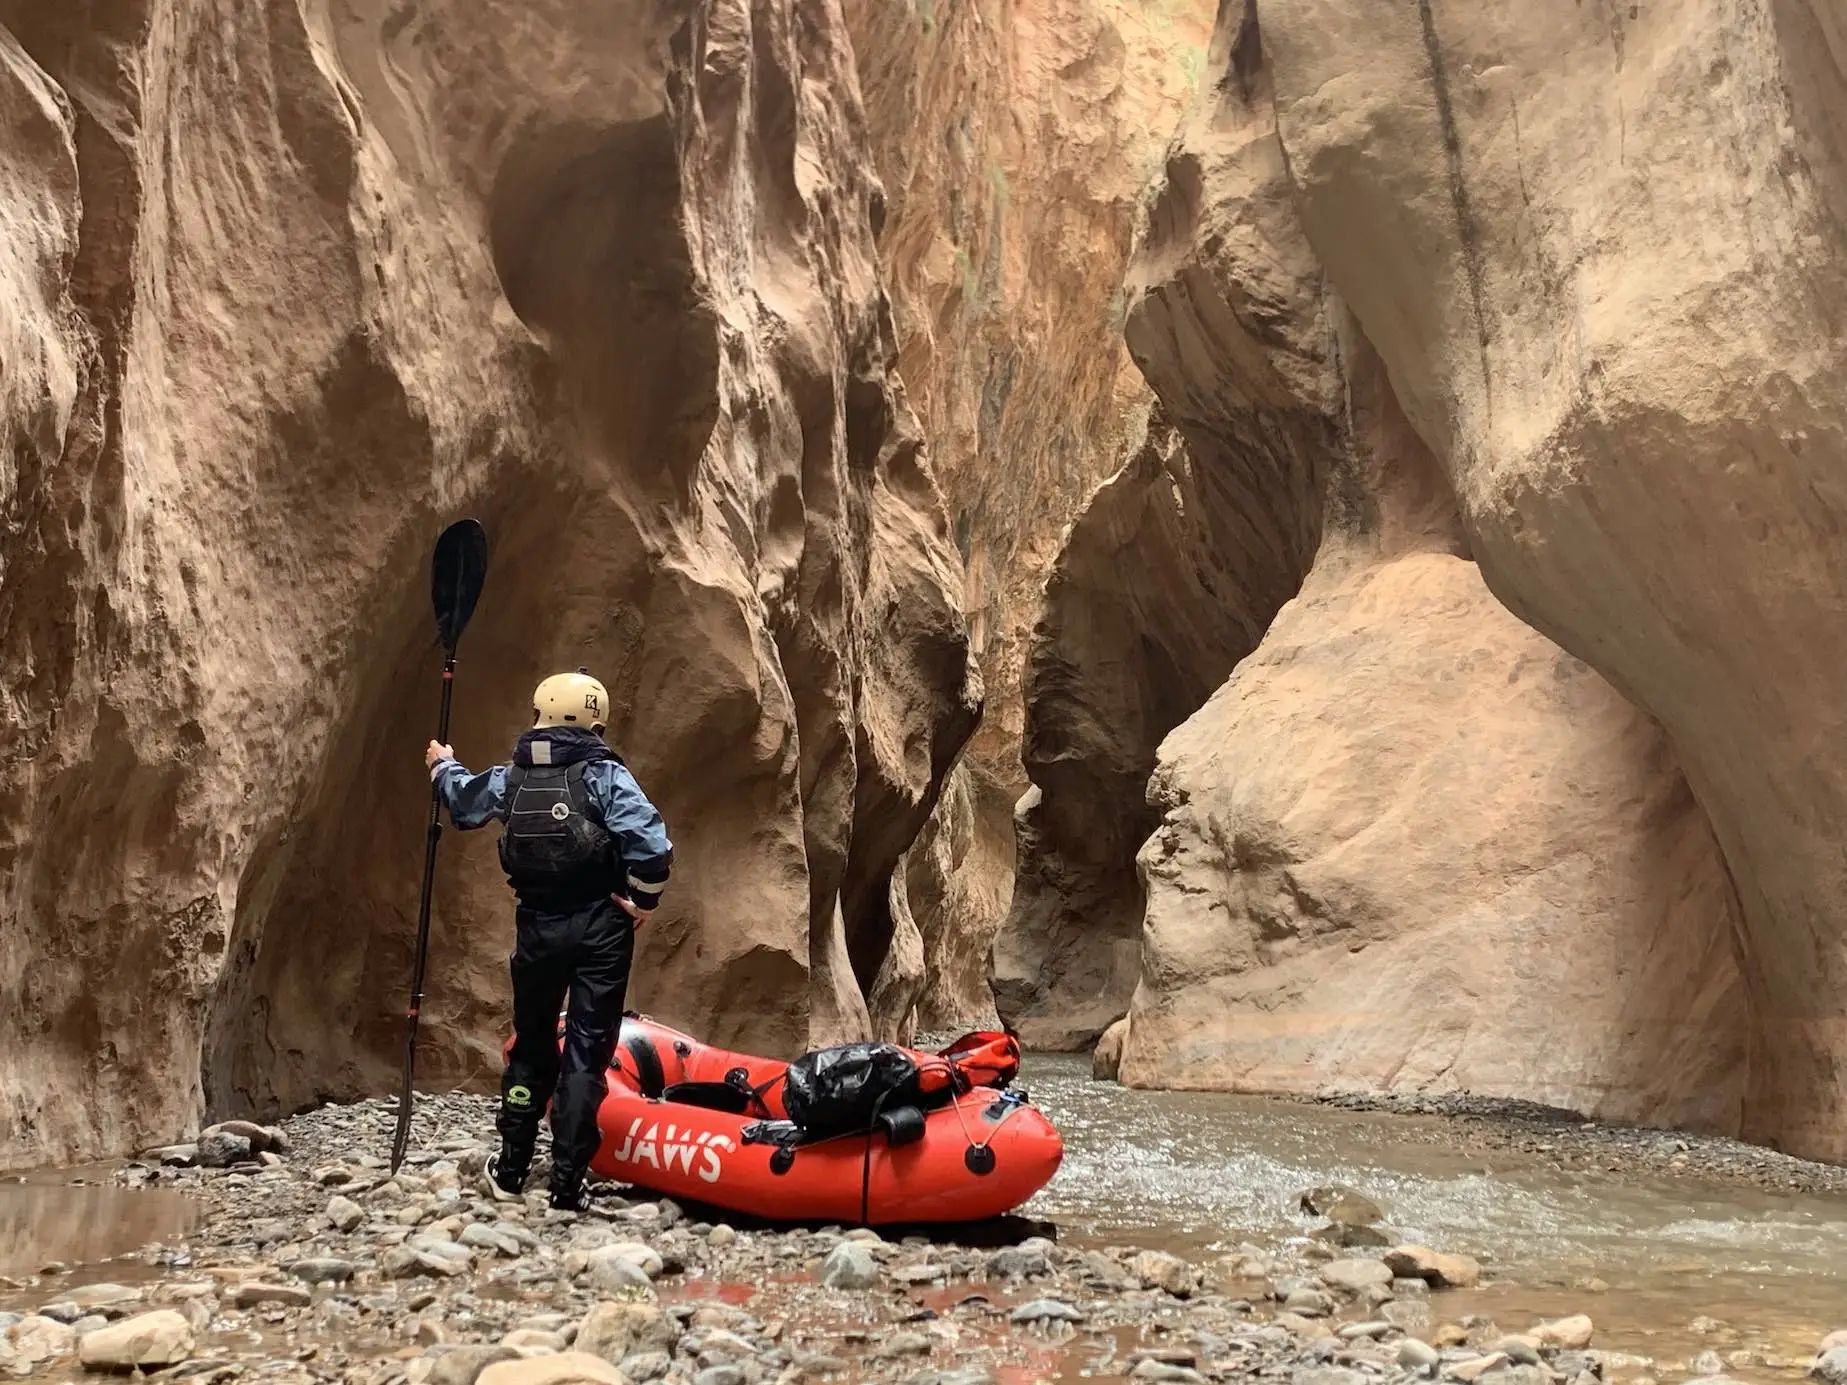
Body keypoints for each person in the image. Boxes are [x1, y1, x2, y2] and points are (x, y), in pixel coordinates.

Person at [424, 668, 672, 1211]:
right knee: (587, 1049)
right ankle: (567, 1180)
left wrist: (442, 766)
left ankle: (512, 1166)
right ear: (595, 722)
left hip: (536, 924)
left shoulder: (509, 776)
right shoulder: (604, 776)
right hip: (601, 928)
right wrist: (642, 901)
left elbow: (463, 803)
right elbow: (652, 848)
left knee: (533, 1042)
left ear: (540, 713)